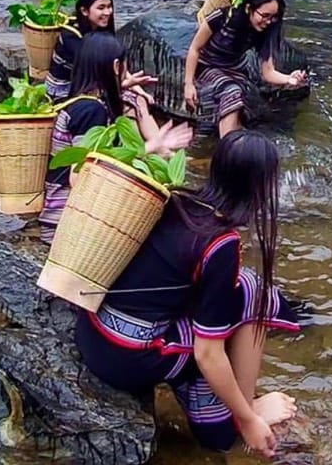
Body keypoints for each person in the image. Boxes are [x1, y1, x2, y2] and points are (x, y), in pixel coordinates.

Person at [75, 130, 300, 457]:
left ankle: (233, 401)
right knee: (253, 293)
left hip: (93, 332)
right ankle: (241, 407)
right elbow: (207, 354)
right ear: (259, 188)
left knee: (243, 293)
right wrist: (247, 419)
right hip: (128, 358)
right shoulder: (221, 243)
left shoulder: (174, 200)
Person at [39, 32, 192, 243]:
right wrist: (152, 146)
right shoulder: (92, 111)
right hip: (66, 225)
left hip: (62, 217)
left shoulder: (81, 103)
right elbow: (82, 175)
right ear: (116, 66)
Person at [183, 0, 307, 137]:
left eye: (273, 18)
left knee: (244, 100)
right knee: (232, 92)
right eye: (264, 15)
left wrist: (290, 79)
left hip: (236, 70)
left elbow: (268, 72)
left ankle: (232, 143)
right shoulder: (222, 18)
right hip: (207, 67)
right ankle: (228, 149)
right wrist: (188, 84)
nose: (268, 22)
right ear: (249, 8)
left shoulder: (263, 32)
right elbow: (195, 49)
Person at [45, 0, 154, 102]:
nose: (107, 12)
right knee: (132, 102)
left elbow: (115, 64)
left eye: (109, 6)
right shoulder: (71, 37)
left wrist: (139, 90)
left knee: (139, 99)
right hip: (64, 90)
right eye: (101, 8)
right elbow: (98, 77)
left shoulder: (99, 28)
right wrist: (126, 84)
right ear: (84, 11)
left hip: (92, 84)